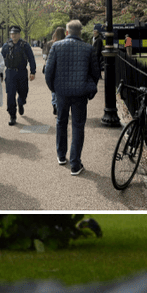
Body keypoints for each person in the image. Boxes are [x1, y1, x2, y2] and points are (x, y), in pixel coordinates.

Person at [45, 19, 100, 176]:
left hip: (61, 92)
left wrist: (54, 89)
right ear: (80, 32)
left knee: (61, 122)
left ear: (67, 32)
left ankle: (61, 155)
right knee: (78, 126)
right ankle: (75, 164)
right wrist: (88, 88)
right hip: (80, 94)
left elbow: (49, 72)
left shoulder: (56, 46)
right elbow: (95, 73)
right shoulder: (88, 48)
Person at [1, 25, 36, 125]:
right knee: (10, 95)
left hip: (22, 72)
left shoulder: (25, 45)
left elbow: (31, 58)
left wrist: (33, 72)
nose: (13, 35)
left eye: (15, 34)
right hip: (10, 73)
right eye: (12, 34)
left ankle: (21, 102)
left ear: (19, 34)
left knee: (23, 92)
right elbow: (0, 60)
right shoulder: (6, 46)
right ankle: (12, 116)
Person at [44, 26, 65, 115]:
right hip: (62, 68)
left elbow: (45, 56)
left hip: (52, 67)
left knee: (53, 88)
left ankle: (54, 103)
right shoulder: (65, 43)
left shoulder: (50, 44)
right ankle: (59, 104)